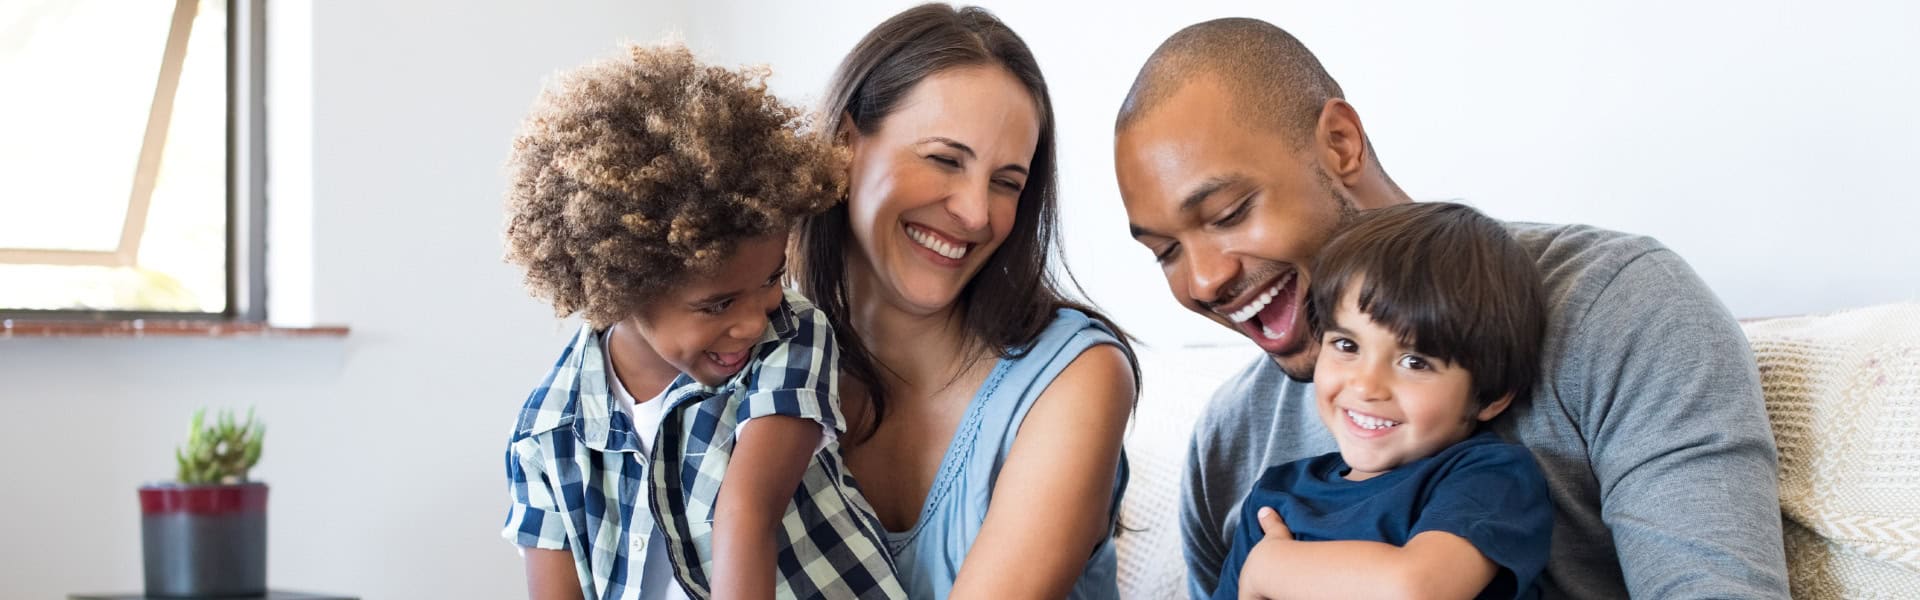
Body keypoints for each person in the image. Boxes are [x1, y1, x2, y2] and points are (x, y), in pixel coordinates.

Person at [1111, 17, 1789, 599]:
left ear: (1340, 144)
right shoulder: (1230, 442)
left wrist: (1280, 567)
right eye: (1165, 252)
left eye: (1229, 213)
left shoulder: (1618, 309)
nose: (1202, 281)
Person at [498, 43, 901, 599]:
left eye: (770, 279)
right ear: (624, 289)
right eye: (717, 305)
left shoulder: (792, 335)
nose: (751, 323)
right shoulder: (546, 432)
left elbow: (746, 515)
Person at [792, 4, 1138, 598]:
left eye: (1006, 182)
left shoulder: (1076, 376)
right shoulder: (763, 359)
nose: (976, 214)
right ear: (846, 147)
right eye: (944, 159)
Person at [1211, 202, 1552, 600]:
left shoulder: (1488, 477)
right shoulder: (1275, 498)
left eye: (1414, 361)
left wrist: (1268, 569)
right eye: (1346, 344)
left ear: (1490, 397)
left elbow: (1415, 589)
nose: (1367, 385)